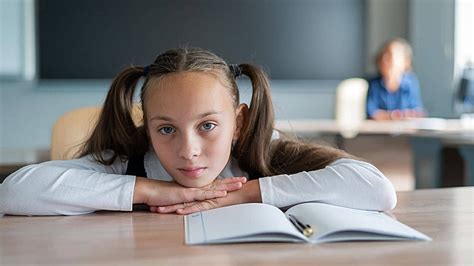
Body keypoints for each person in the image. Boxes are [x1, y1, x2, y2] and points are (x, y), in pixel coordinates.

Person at [0, 47, 396, 216]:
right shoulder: (132, 163)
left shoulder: (263, 153)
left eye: (207, 126)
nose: (188, 150)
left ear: (239, 122)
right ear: (148, 127)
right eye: (167, 128)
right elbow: (14, 191)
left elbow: (377, 189)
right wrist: (153, 190)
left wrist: (244, 194)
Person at [367, 38, 425, 120]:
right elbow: (371, 113)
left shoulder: (410, 83)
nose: (385, 60)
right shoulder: (373, 84)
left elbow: (417, 112)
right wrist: (398, 115)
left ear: (406, 62)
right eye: (383, 56)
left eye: (391, 55)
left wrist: (388, 116)